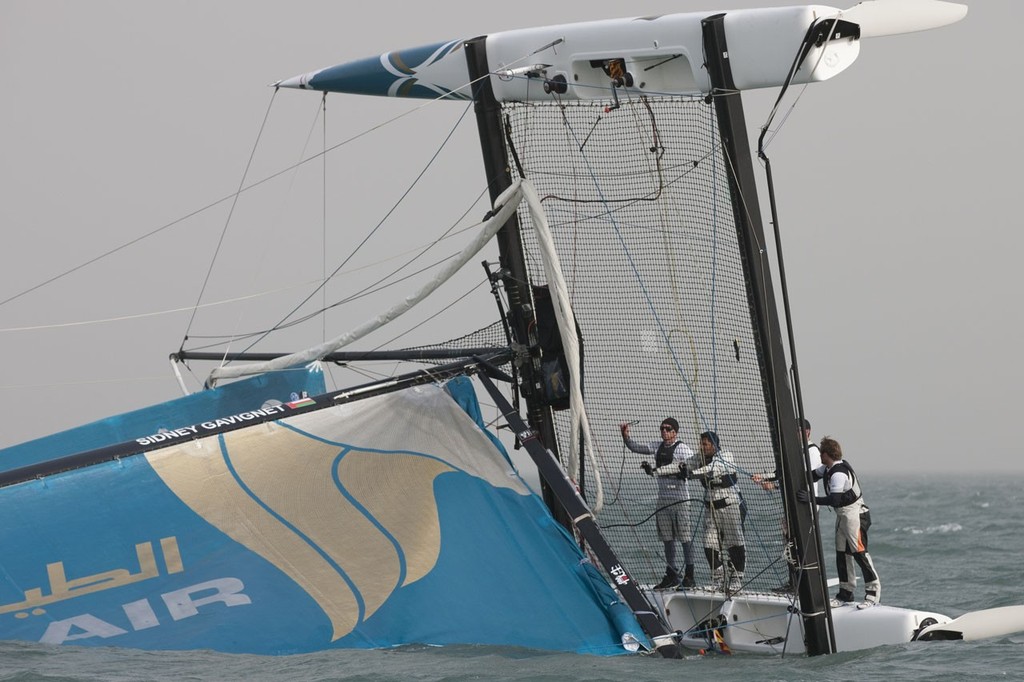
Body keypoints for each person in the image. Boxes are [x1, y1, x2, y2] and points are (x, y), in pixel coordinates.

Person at [797, 436, 880, 609]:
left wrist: (811, 499)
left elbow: (834, 500)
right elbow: (811, 475)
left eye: (821, 453)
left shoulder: (838, 473)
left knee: (859, 552)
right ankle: (845, 594)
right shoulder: (828, 468)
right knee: (842, 553)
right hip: (843, 516)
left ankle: (873, 594)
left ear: (826, 454)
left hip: (855, 515)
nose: (820, 455)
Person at [620, 418, 696, 589]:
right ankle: (672, 574)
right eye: (662, 428)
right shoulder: (656, 447)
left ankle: (690, 576)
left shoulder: (683, 449)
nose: (664, 431)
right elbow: (636, 448)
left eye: (668, 429)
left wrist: (686, 472)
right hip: (663, 500)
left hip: (680, 500)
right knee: (667, 539)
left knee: (685, 538)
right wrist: (626, 437)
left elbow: (693, 466)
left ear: (675, 432)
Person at [689, 431, 745, 592]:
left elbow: (711, 470)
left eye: (705, 444)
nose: (701, 447)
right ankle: (718, 579)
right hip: (711, 508)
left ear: (713, 445)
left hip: (731, 506)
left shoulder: (725, 456)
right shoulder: (699, 458)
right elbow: (682, 465)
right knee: (709, 545)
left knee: (734, 544)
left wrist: (690, 474)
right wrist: (655, 470)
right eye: (701, 443)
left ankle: (736, 580)